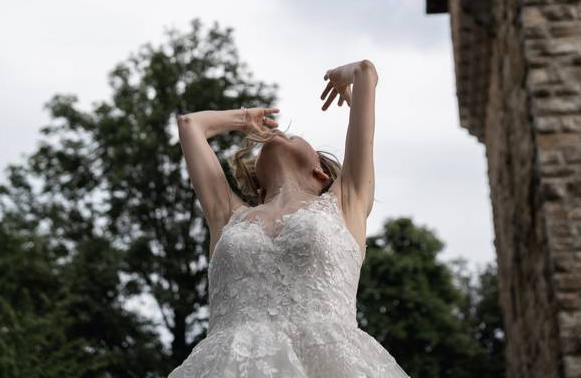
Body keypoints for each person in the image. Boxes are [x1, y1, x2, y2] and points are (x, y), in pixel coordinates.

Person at [169, 59, 411, 377]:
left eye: (295, 136)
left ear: (320, 173)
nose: (282, 133)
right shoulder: (228, 215)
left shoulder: (346, 201)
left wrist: (342, 77)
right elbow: (190, 125)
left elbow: (366, 72)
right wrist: (243, 119)